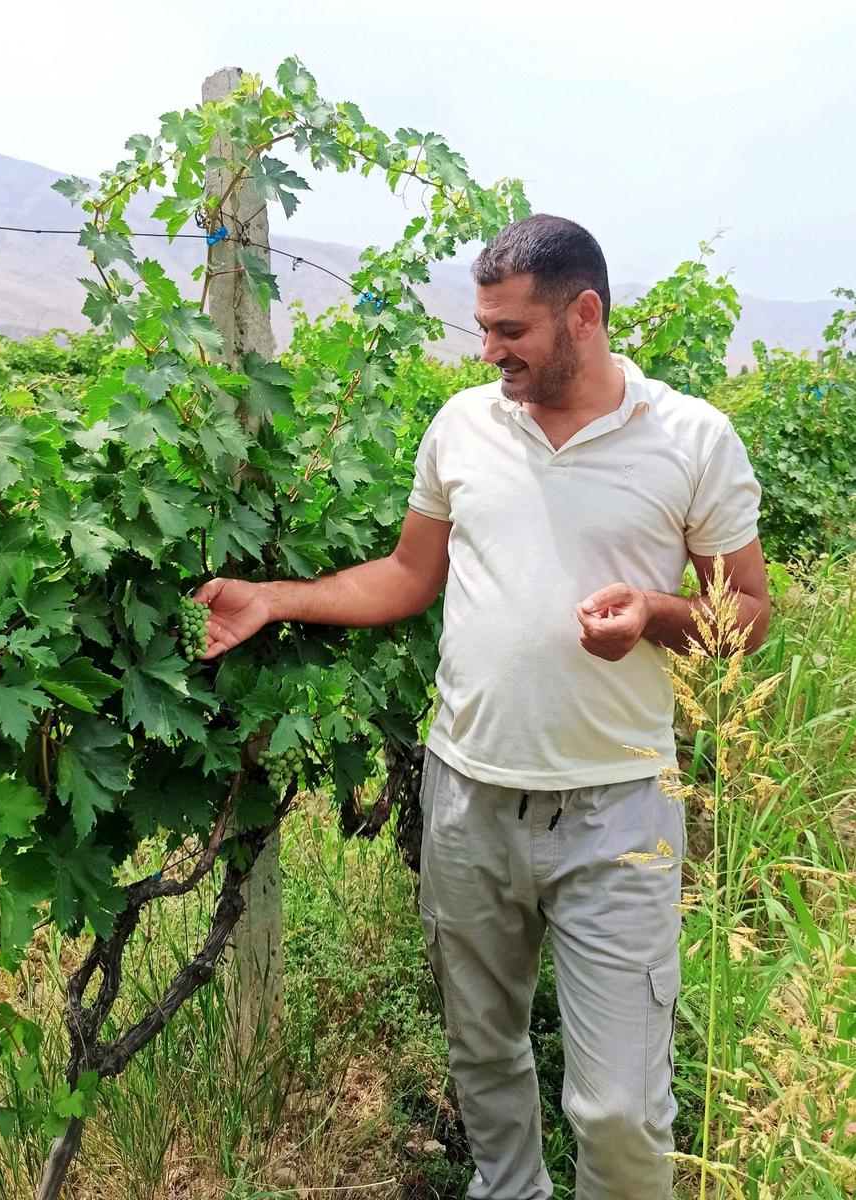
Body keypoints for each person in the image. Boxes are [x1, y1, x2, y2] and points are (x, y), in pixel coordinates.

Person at [194, 214, 770, 1200]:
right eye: (484, 328)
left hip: (620, 810)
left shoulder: (689, 438)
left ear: (582, 315)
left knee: (619, 1111)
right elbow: (410, 576)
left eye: (511, 331)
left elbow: (749, 615)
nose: (488, 349)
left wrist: (656, 613)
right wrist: (277, 599)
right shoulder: (462, 425)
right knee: (486, 1062)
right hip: (466, 801)